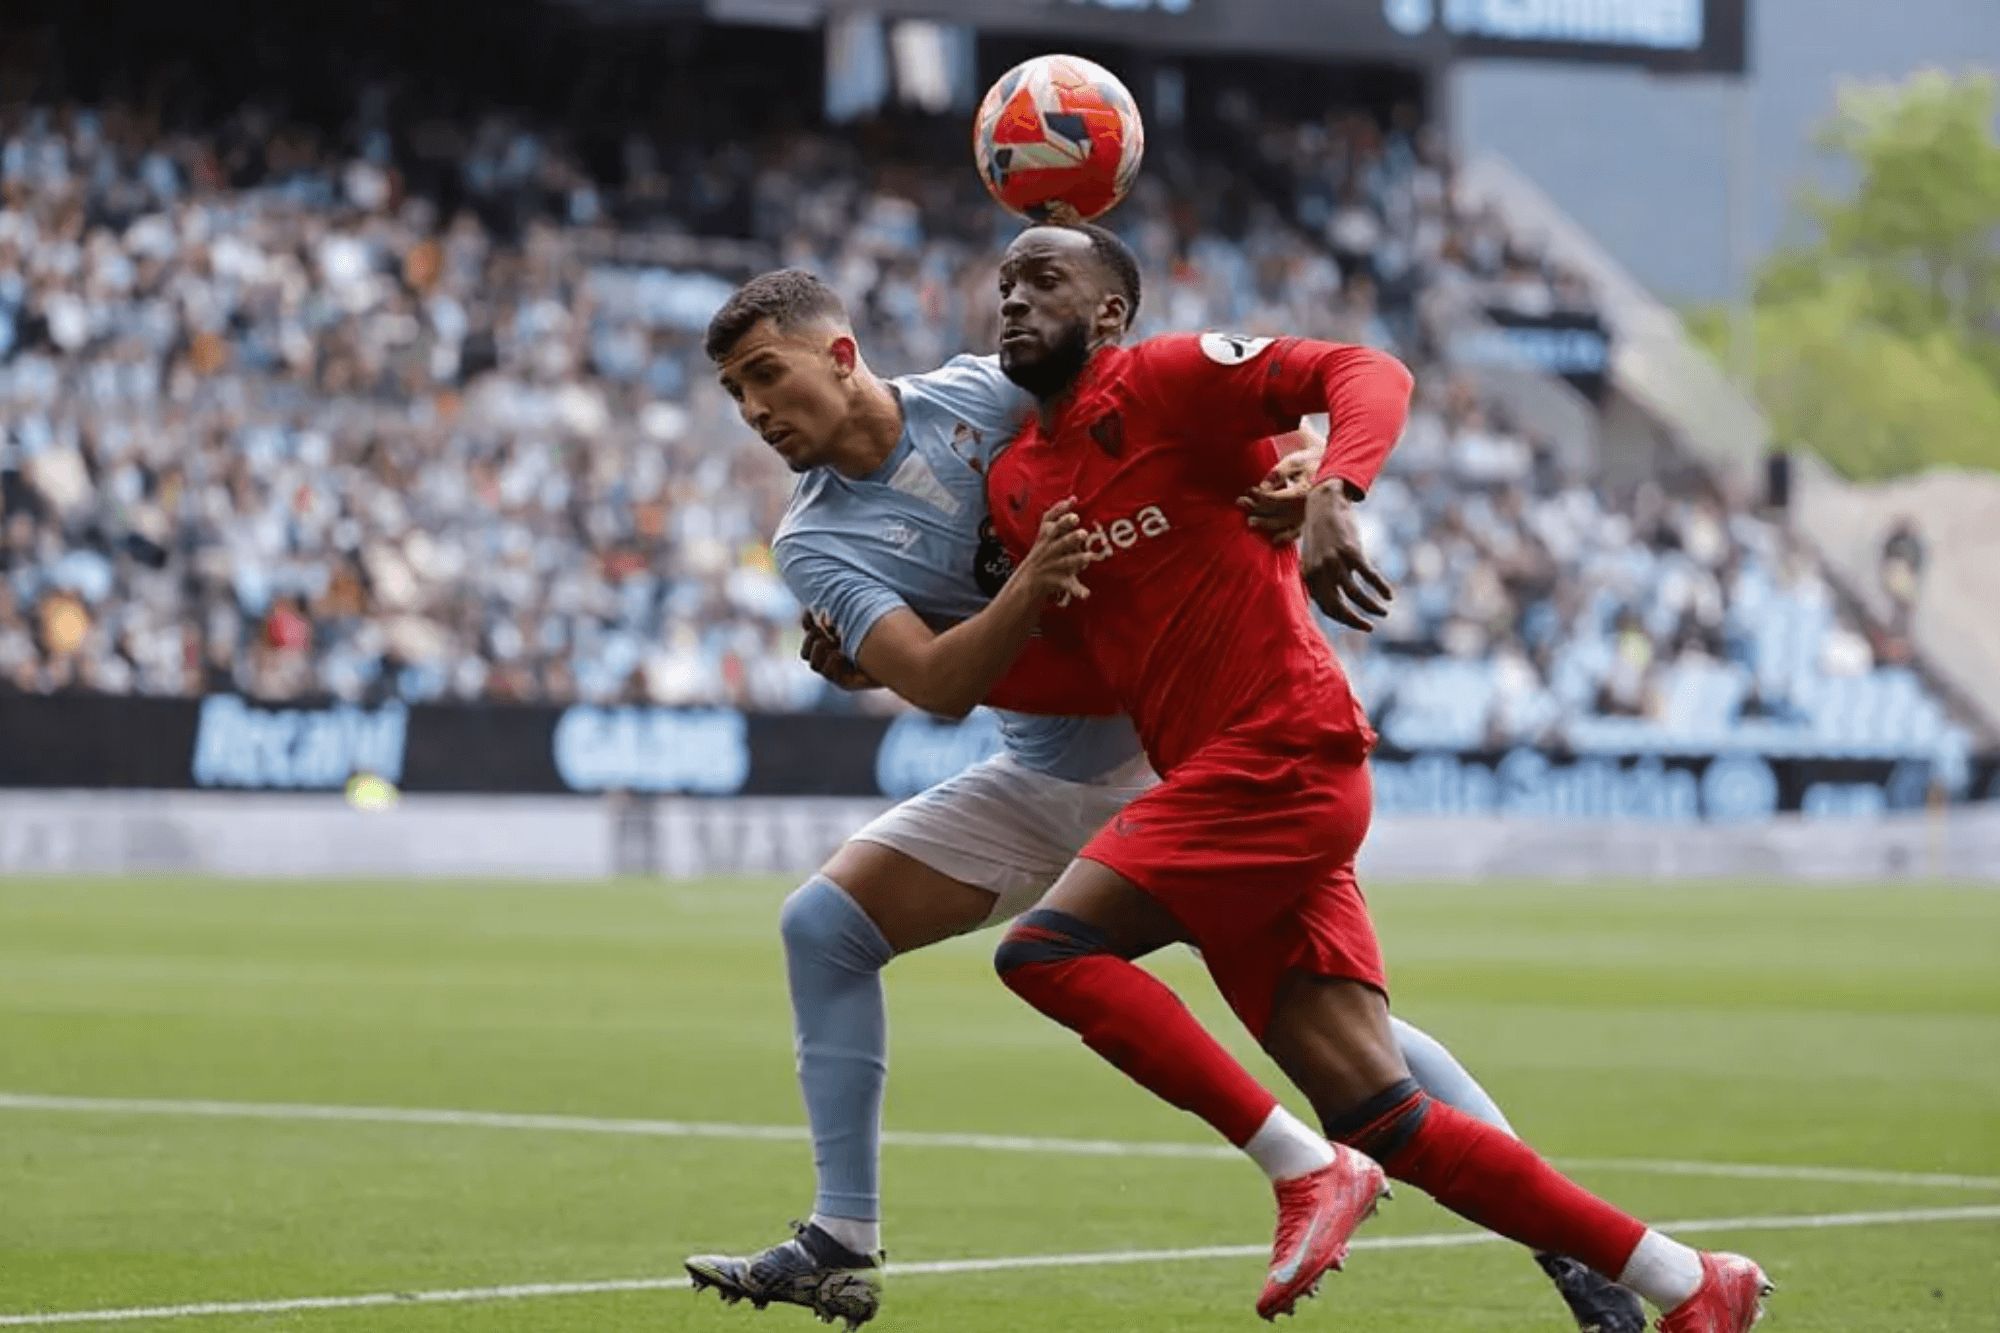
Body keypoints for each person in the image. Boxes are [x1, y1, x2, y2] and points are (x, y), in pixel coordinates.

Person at [681, 269, 1646, 1331]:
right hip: (1039, 768)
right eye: (736, 395)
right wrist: (960, 625)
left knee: (1344, 1038)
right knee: (822, 923)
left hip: (1179, 753)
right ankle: (841, 1238)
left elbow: (1195, 432)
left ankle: (1565, 1247)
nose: (756, 411)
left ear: (842, 354)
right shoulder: (812, 540)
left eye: (766, 375)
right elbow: (943, 684)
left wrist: (1301, 468)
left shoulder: (986, 395)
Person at [978, 222, 1772, 1331]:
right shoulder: (1018, 482)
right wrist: (899, 655)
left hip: (1280, 751)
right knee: (1384, 1111)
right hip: (1224, 787)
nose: (1012, 299)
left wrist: (1331, 489)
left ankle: (1301, 1169)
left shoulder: (1165, 382)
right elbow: (1088, 670)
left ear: (1109, 313)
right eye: (1003, 281)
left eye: (1043, 280)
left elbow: (1366, 370)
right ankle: (1689, 1283)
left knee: (1045, 949)